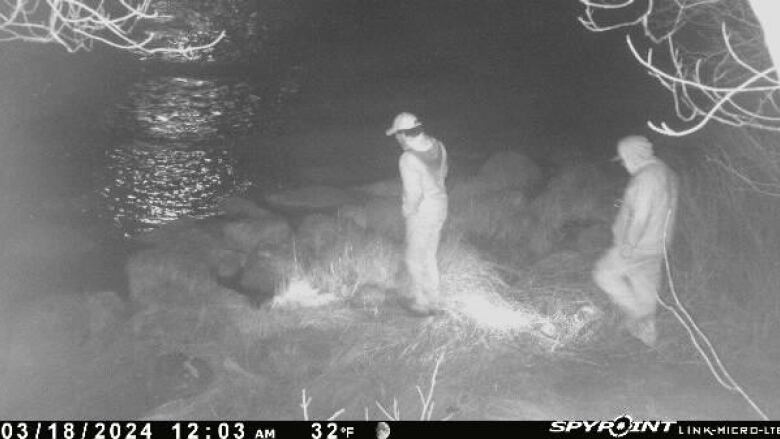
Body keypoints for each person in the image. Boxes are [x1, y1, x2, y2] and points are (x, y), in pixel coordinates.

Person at [593, 135, 679, 346]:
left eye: (623, 158)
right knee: (646, 291)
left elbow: (641, 215)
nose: (624, 164)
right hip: (657, 245)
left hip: (638, 246)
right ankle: (649, 343)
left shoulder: (646, 178)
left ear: (632, 155)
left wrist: (628, 245)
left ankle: (636, 317)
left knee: (604, 274)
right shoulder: (667, 173)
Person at [386, 112, 448, 316]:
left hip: (423, 211)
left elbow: (413, 194)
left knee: (413, 257)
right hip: (440, 205)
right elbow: (444, 172)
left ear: (405, 134)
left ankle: (422, 302)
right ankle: (435, 300)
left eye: (397, 135)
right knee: (429, 254)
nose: (396, 139)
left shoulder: (408, 158)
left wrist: (408, 213)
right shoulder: (438, 145)